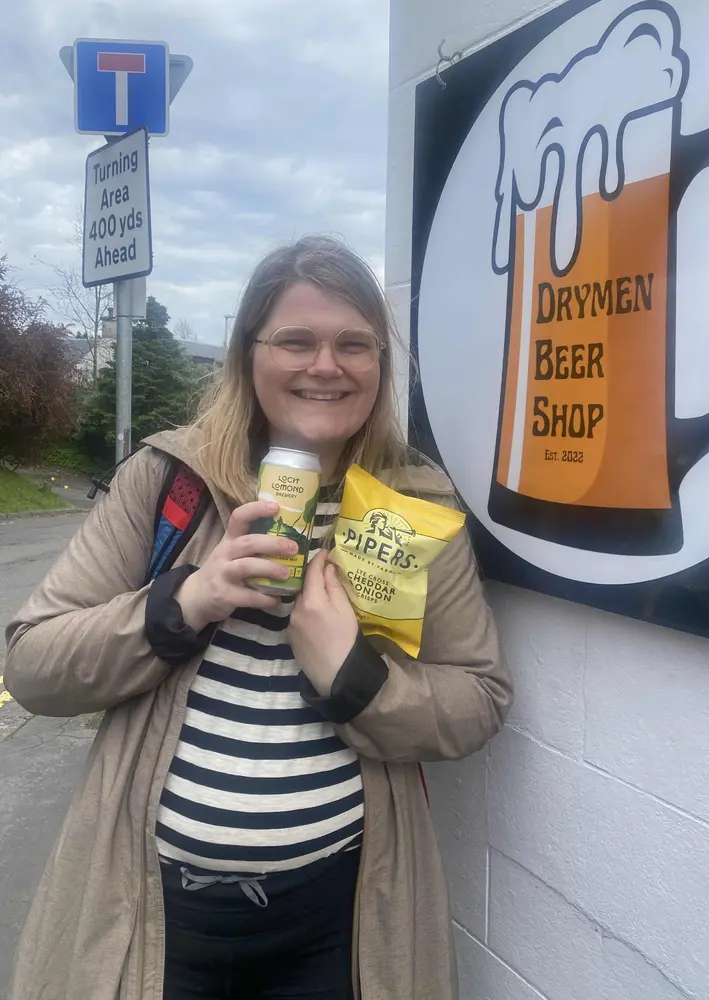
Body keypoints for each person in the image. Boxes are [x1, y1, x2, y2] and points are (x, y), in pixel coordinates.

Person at [4, 234, 512, 1000]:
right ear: (249, 354)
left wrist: (353, 677)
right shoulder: (170, 479)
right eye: (296, 341)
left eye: (354, 344)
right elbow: (34, 665)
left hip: (341, 916)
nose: (326, 365)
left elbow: (479, 697)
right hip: (155, 912)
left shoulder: (415, 499)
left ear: (381, 363)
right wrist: (187, 600)